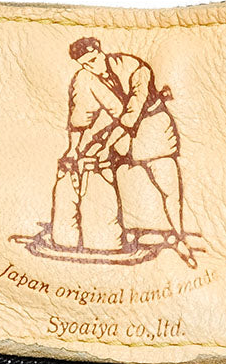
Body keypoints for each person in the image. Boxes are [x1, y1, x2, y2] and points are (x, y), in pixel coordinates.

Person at [50, 37, 195, 267]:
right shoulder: (86, 76)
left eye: (93, 60)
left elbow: (131, 114)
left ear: (100, 51)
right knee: (114, 182)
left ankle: (179, 238)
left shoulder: (136, 69)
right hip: (120, 134)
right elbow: (80, 114)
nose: (92, 68)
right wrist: (73, 148)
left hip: (153, 128)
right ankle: (121, 236)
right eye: (85, 64)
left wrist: (106, 144)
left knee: (167, 185)